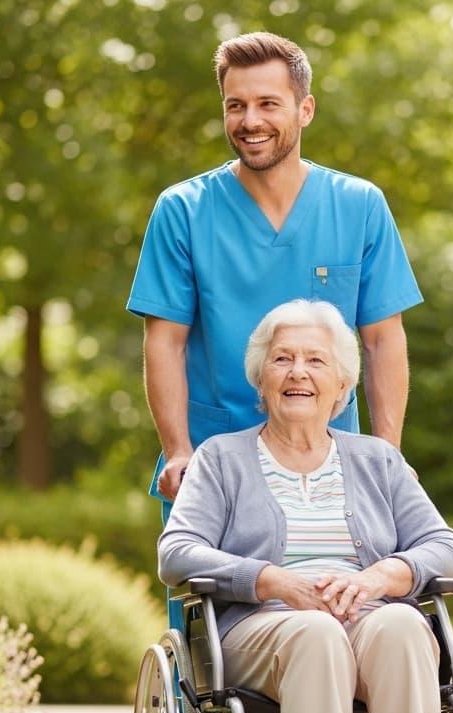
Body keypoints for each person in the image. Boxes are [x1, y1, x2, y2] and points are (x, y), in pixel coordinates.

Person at [158, 299, 453, 713]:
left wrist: (378, 579)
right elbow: (176, 553)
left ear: (342, 383)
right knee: (317, 633)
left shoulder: (378, 460)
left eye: (316, 360)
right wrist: (272, 581)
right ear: (261, 378)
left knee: (403, 625)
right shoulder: (220, 459)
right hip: (264, 630)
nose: (298, 372)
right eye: (283, 359)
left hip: (368, 619)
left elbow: (445, 548)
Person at [126, 31, 422, 505]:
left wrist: (385, 455)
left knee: (335, 583)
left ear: (305, 110)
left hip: (332, 467)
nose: (250, 120)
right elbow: (165, 340)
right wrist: (178, 450)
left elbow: (383, 338)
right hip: (212, 469)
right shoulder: (182, 209)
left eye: (268, 103)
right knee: (220, 581)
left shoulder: (359, 206)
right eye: (235, 105)